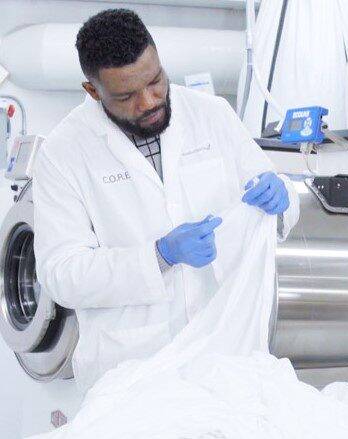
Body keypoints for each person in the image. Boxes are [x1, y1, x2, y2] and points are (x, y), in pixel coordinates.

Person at [33, 8, 299, 391]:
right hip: (131, 368)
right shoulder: (63, 153)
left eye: (155, 81)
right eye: (126, 96)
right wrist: (159, 255)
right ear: (93, 91)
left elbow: (271, 195)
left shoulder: (211, 115)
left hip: (223, 353)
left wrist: (282, 195)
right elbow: (62, 275)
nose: (148, 102)